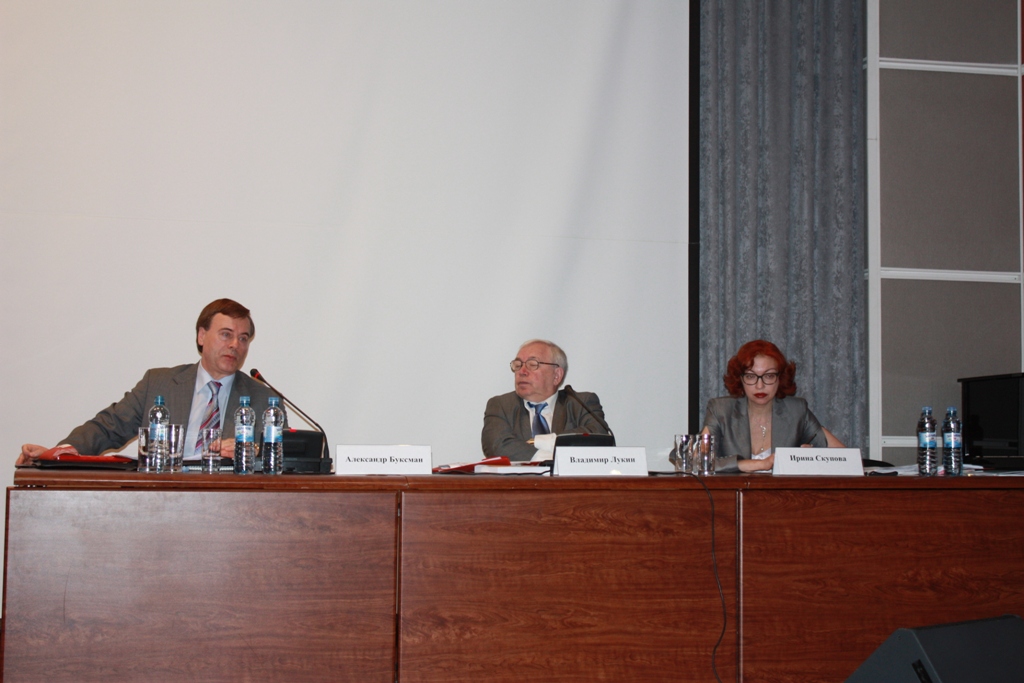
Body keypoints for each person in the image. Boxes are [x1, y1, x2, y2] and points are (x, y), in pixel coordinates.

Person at [19, 298, 280, 464]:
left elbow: (287, 458)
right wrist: (56, 455)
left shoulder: (263, 398)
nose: (235, 345)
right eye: (226, 334)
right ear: (202, 336)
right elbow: (108, 427)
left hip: (230, 507)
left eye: (243, 338)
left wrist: (255, 450)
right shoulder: (159, 383)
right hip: (160, 498)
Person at [702, 339, 843, 473]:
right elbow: (699, 461)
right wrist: (760, 464)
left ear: (780, 378)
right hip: (733, 490)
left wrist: (814, 459)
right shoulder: (720, 410)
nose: (760, 385)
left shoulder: (797, 410)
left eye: (769, 376)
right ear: (740, 379)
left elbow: (844, 458)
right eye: (751, 376)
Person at [482, 339, 610, 461]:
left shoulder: (580, 403)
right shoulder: (501, 405)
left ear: (557, 375)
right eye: (518, 365)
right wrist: (547, 458)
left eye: (532, 364)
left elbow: (599, 435)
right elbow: (496, 445)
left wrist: (542, 442)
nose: (522, 371)